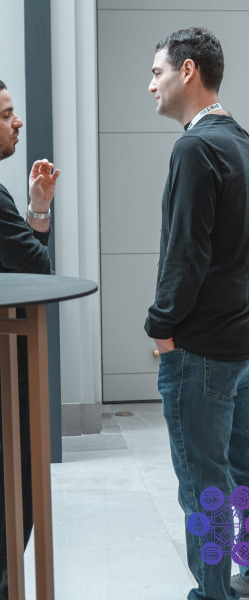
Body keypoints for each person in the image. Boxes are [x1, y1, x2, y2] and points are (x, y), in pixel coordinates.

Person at [144, 28, 249, 600]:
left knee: (204, 484)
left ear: (187, 71)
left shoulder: (195, 147)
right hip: (243, 338)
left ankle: (212, 592)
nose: (150, 84)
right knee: (243, 466)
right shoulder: (238, 139)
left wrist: (161, 325)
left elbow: (186, 253)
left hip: (202, 345)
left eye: (157, 72)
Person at [0, 79, 59, 599]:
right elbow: (36, 271)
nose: (16, 122)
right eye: (5, 114)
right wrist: (38, 213)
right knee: (18, 492)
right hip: (7, 365)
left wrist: (35, 209)